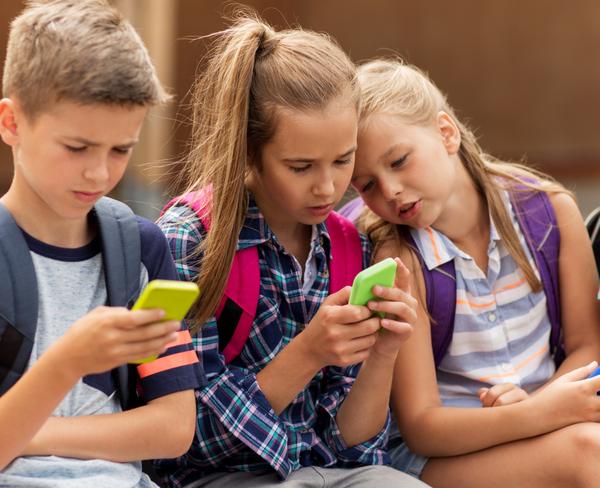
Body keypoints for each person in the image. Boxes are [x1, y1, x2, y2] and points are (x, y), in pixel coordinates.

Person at [156, 13, 426, 488]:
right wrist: (309, 353)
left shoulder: (349, 246)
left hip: (331, 473)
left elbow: (355, 448)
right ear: (247, 153)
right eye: (300, 166)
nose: (328, 187)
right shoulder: (189, 242)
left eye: (343, 160)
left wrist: (383, 354)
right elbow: (186, 440)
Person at [0, 1, 205, 486]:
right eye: (76, 147)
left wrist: (32, 433)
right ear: (11, 123)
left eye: (120, 150)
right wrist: (68, 362)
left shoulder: (142, 249)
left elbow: (174, 428)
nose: (99, 172)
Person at [349, 57, 600, 487]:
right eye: (366, 184)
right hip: (444, 456)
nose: (389, 190)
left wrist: (541, 405)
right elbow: (422, 426)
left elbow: (587, 344)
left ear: (445, 133)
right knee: (589, 452)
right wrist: (538, 415)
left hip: (547, 419)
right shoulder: (400, 261)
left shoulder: (551, 212)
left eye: (399, 161)